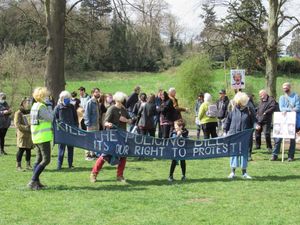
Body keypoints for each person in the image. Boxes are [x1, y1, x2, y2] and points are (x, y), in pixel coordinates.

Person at [90, 92, 132, 183]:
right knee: (105, 155)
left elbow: (130, 120)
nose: (120, 102)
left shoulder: (124, 110)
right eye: (119, 101)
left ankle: (120, 175)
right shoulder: (112, 109)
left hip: (122, 136)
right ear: (116, 100)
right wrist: (108, 124)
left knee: (123, 156)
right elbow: (105, 122)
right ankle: (94, 174)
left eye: (122, 101)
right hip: (112, 137)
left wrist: (127, 120)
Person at [224, 92, 255, 179]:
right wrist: (225, 131)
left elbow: (254, 120)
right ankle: (232, 172)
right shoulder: (233, 110)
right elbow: (228, 121)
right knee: (234, 153)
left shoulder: (249, 110)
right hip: (234, 135)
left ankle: (244, 173)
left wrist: (256, 126)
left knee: (244, 154)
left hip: (245, 136)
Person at [27, 87, 54, 190]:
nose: (48, 97)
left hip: (36, 136)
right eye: (46, 95)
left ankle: (36, 182)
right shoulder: (42, 107)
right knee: (46, 160)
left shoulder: (35, 106)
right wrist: (50, 106)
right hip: (43, 137)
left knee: (38, 159)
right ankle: (33, 180)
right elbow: (51, 118)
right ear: (42, 96)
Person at [271, 82, 300, 162]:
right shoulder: (282, 97)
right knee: (278, 138)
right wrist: (291, 110)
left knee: (292, 139)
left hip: (293, 120)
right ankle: (275, 155)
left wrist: (287, 110)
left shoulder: (296, 96)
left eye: (286, 87)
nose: (284, 89)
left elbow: (298, 108)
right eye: (283, 88)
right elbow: (281, 108)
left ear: (289, 87)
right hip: (283, 120)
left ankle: (291, 156)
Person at [54, 91, 78, 170]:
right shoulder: (57, 108)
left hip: (71, 131)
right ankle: (59, 165)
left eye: (68, 98)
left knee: (70, 149)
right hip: (62, 132)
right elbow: (54, 119)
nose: (67, 100)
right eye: (65, 98)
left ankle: (70, 164)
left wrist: (76, 127)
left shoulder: (71, 107)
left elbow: (75, 118)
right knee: (61, 149)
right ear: (61, 99)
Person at [14, 97, 33, 171]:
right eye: (26, 102)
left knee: (28, 150)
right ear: (22, 103)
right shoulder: (18, 112)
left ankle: (28, 165)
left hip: (29, 135)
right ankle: (18, 165)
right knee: (21, 150)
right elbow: (17, 124)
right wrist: (26, 128)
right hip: (22, 134)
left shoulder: (29, 112)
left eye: (29, 102)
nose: (28, 104)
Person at [84, 88, 101, 160]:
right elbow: (86, 114)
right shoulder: (90, 102)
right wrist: (88, 124)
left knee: (95, 139)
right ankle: (88, 155)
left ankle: (93, 154)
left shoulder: (97, 102)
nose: (98, 93)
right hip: (91, 124)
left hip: (96, 124)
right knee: (89, 139)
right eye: (96, 92)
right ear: (92, 93)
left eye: (98, 92)